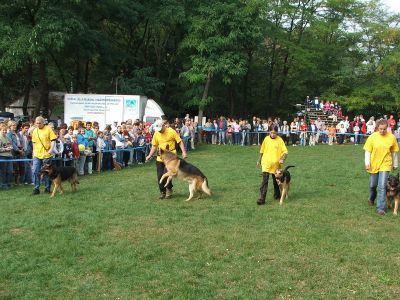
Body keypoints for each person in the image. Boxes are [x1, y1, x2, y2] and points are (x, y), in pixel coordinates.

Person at [364, 119, 399, 215]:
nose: (382, 131)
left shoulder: (392, 137)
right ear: (377, 128)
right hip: (374, 163)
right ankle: (371, 198)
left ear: (387, 128)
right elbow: (367, 151)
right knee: (372, 185)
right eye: (380, 129)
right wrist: (367, 162)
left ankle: (380, 208)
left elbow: (394, 152)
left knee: (382, 186)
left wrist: (395, 164)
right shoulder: (372, 137)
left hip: (386, 163)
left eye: (384, 129)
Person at [145, 119, 187, 199]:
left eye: (160, 129)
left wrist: (183, 152)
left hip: (171, 158)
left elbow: (179, 141)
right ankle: (162, 192)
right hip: (160, 158)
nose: (159, 131)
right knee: (160, 175)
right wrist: (150, 155)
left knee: (167, 174)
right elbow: (154, 145)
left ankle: (169, 189)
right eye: (158, 130)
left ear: (164, 125)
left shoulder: (171, 131)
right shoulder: (156, 133)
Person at [256, 125, 288, 205]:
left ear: (277, 132)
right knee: (264, 181)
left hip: (276, 165)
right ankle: (262, 198)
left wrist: (282, 159)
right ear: (269, 132)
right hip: (266, 163)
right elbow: (262, 150)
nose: (273, 134)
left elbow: (285, 152)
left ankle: (277, 195)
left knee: (276, 182)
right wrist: (259, 160)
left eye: (275, 133)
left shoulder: (280, 140)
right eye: (271, 132)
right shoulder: (266, 139)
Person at [31, 116, 57, 195]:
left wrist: (51, 150)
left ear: (43, 123)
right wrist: (33, 152)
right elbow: (34, 143)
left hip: (47, 154)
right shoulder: (35, 131)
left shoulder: (48, 129)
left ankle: (47, 188)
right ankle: (36, 188)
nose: (38, 124)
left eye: (39, 123)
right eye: (36, 123)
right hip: (37, 154)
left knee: (47, 172)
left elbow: (53, 141)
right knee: (35, 171)